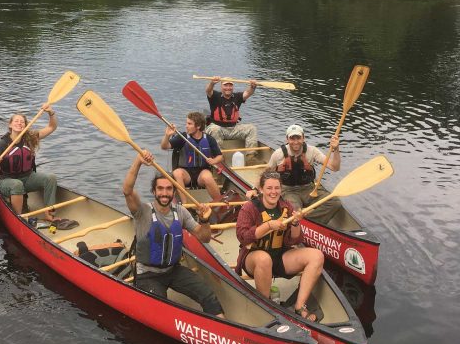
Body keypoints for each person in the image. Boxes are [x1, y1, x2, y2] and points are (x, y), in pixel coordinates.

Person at [123, 151, 223, 317]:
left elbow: (204, 238)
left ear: (174, 191)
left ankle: (223, 334)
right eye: (160, 189)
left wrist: (205, 221)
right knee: (163, 310)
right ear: (154, 191)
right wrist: (138, 162)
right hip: (148, 275)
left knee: (209, 296)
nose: (164, 193)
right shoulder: (143, 211)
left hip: (173, 270)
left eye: (169, 189)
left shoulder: (181, 212)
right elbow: (127, 190)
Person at [235, 170, 324, 321]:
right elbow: (243, 237)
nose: (273, 192)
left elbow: (293, 241)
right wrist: (268, 226)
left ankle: (299, 306)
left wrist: (295, 223)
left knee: (317, 256)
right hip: (254, 259)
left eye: (277, 188)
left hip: (279, 256)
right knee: (264, 259)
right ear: (261, 189)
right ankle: (266, 307)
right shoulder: (249, 208)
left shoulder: (286, 207)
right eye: (269, 188)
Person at [0, 104, 76, 229]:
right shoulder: (3, 144)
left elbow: (52, 127)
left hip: (27, 177)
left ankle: (49, 214)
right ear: (10, 125)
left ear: (25, 125)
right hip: (7, 181)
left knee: (50, 178)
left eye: (22, 122)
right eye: (16, 121)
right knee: (16, 185)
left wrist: (51, 113)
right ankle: (19, 217)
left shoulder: (30, 138)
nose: (19, 123)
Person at [266, 124, 342, 224]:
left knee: (335, 202)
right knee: (296, 212)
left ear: (303, 138)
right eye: (292, 138)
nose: (296, 142)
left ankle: (308, 222)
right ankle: (302, 222)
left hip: (309, 189)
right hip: (289, 191)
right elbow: (266, 174)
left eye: (298, 138)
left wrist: (336, 149)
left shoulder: (312, 151)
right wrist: (255, 189)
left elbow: (335, 167)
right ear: (287, 140)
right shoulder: (278, 154)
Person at [160, 111, 223, 204]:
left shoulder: (209, 139)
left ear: (198, 126)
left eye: (189, 124)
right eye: (186, 123)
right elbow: (164, 146)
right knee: (177, 173)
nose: (186, 126)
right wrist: (167, 135)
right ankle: (185, 204)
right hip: (186, 174)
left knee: (208, 176)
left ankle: (219, 204)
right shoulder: (182, 137)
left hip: (201, 173)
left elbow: (220, 156)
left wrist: (214, 161)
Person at [204, 77, 259, 163]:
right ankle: (220, 157)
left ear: (233, 87)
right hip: (218, 128)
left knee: (252, 128)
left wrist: (252, 86)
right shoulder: (215, 96)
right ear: (221, 86)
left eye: (230, 85)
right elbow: (208, 91)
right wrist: (212, 83)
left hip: (233, 129)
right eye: (225, 85)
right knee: (214, 129)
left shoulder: (237, 97)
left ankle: (250, 157)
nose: (228, 88)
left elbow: (248, 93)